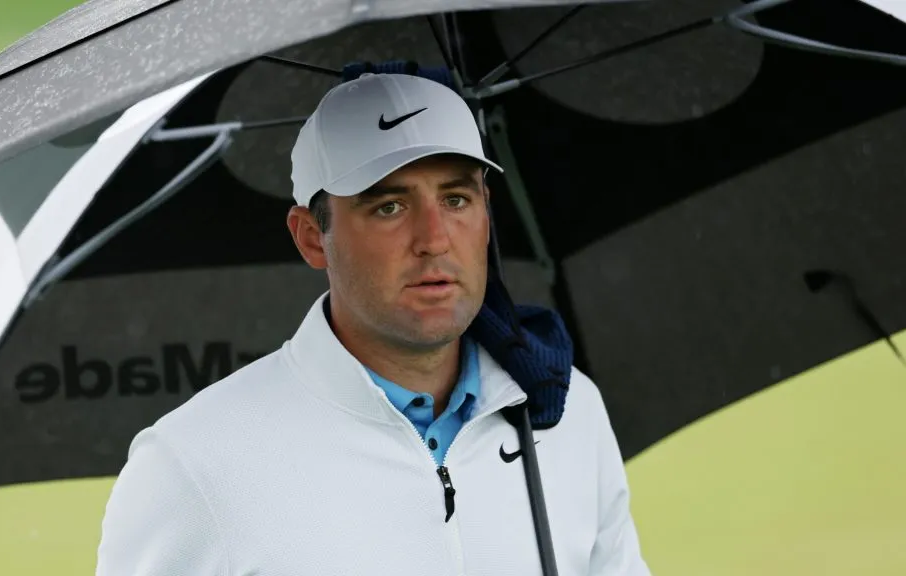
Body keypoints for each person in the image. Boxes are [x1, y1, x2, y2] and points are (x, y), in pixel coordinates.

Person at [95, 72, 651, 576]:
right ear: (312, 236)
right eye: (389, 206)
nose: (434, 238)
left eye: (456, 198)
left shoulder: (567, 408)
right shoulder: (191, 465)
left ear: (486, 213)